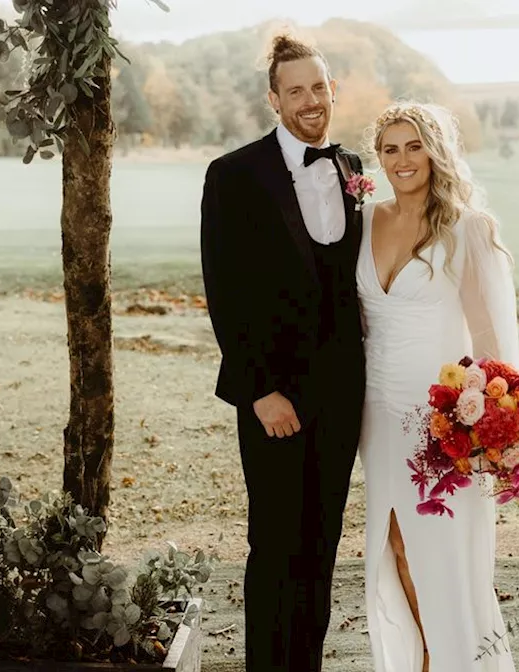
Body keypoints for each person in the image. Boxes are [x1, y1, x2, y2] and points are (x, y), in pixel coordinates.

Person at [198, 32, 367, 672]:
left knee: (322, 542)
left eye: (319, 87)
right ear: (274, 99)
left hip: (342, 394)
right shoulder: (234, 174)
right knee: (274, 543)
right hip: (273, 394)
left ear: (333, 91)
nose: (310, 100)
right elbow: (225, 292)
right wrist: (259, 389)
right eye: (295, 90)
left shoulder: (353, 171)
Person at [357, 102, 519, 672]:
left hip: (442, 419)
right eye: (390, 149)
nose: (402, 160)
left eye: (414, 146)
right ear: (378, 158)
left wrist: (493, 424)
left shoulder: (466, 229)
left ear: (435, 151)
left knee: (444, 555)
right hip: (376, 413)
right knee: (393, 544)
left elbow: (490, 336)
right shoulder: (364, 221)